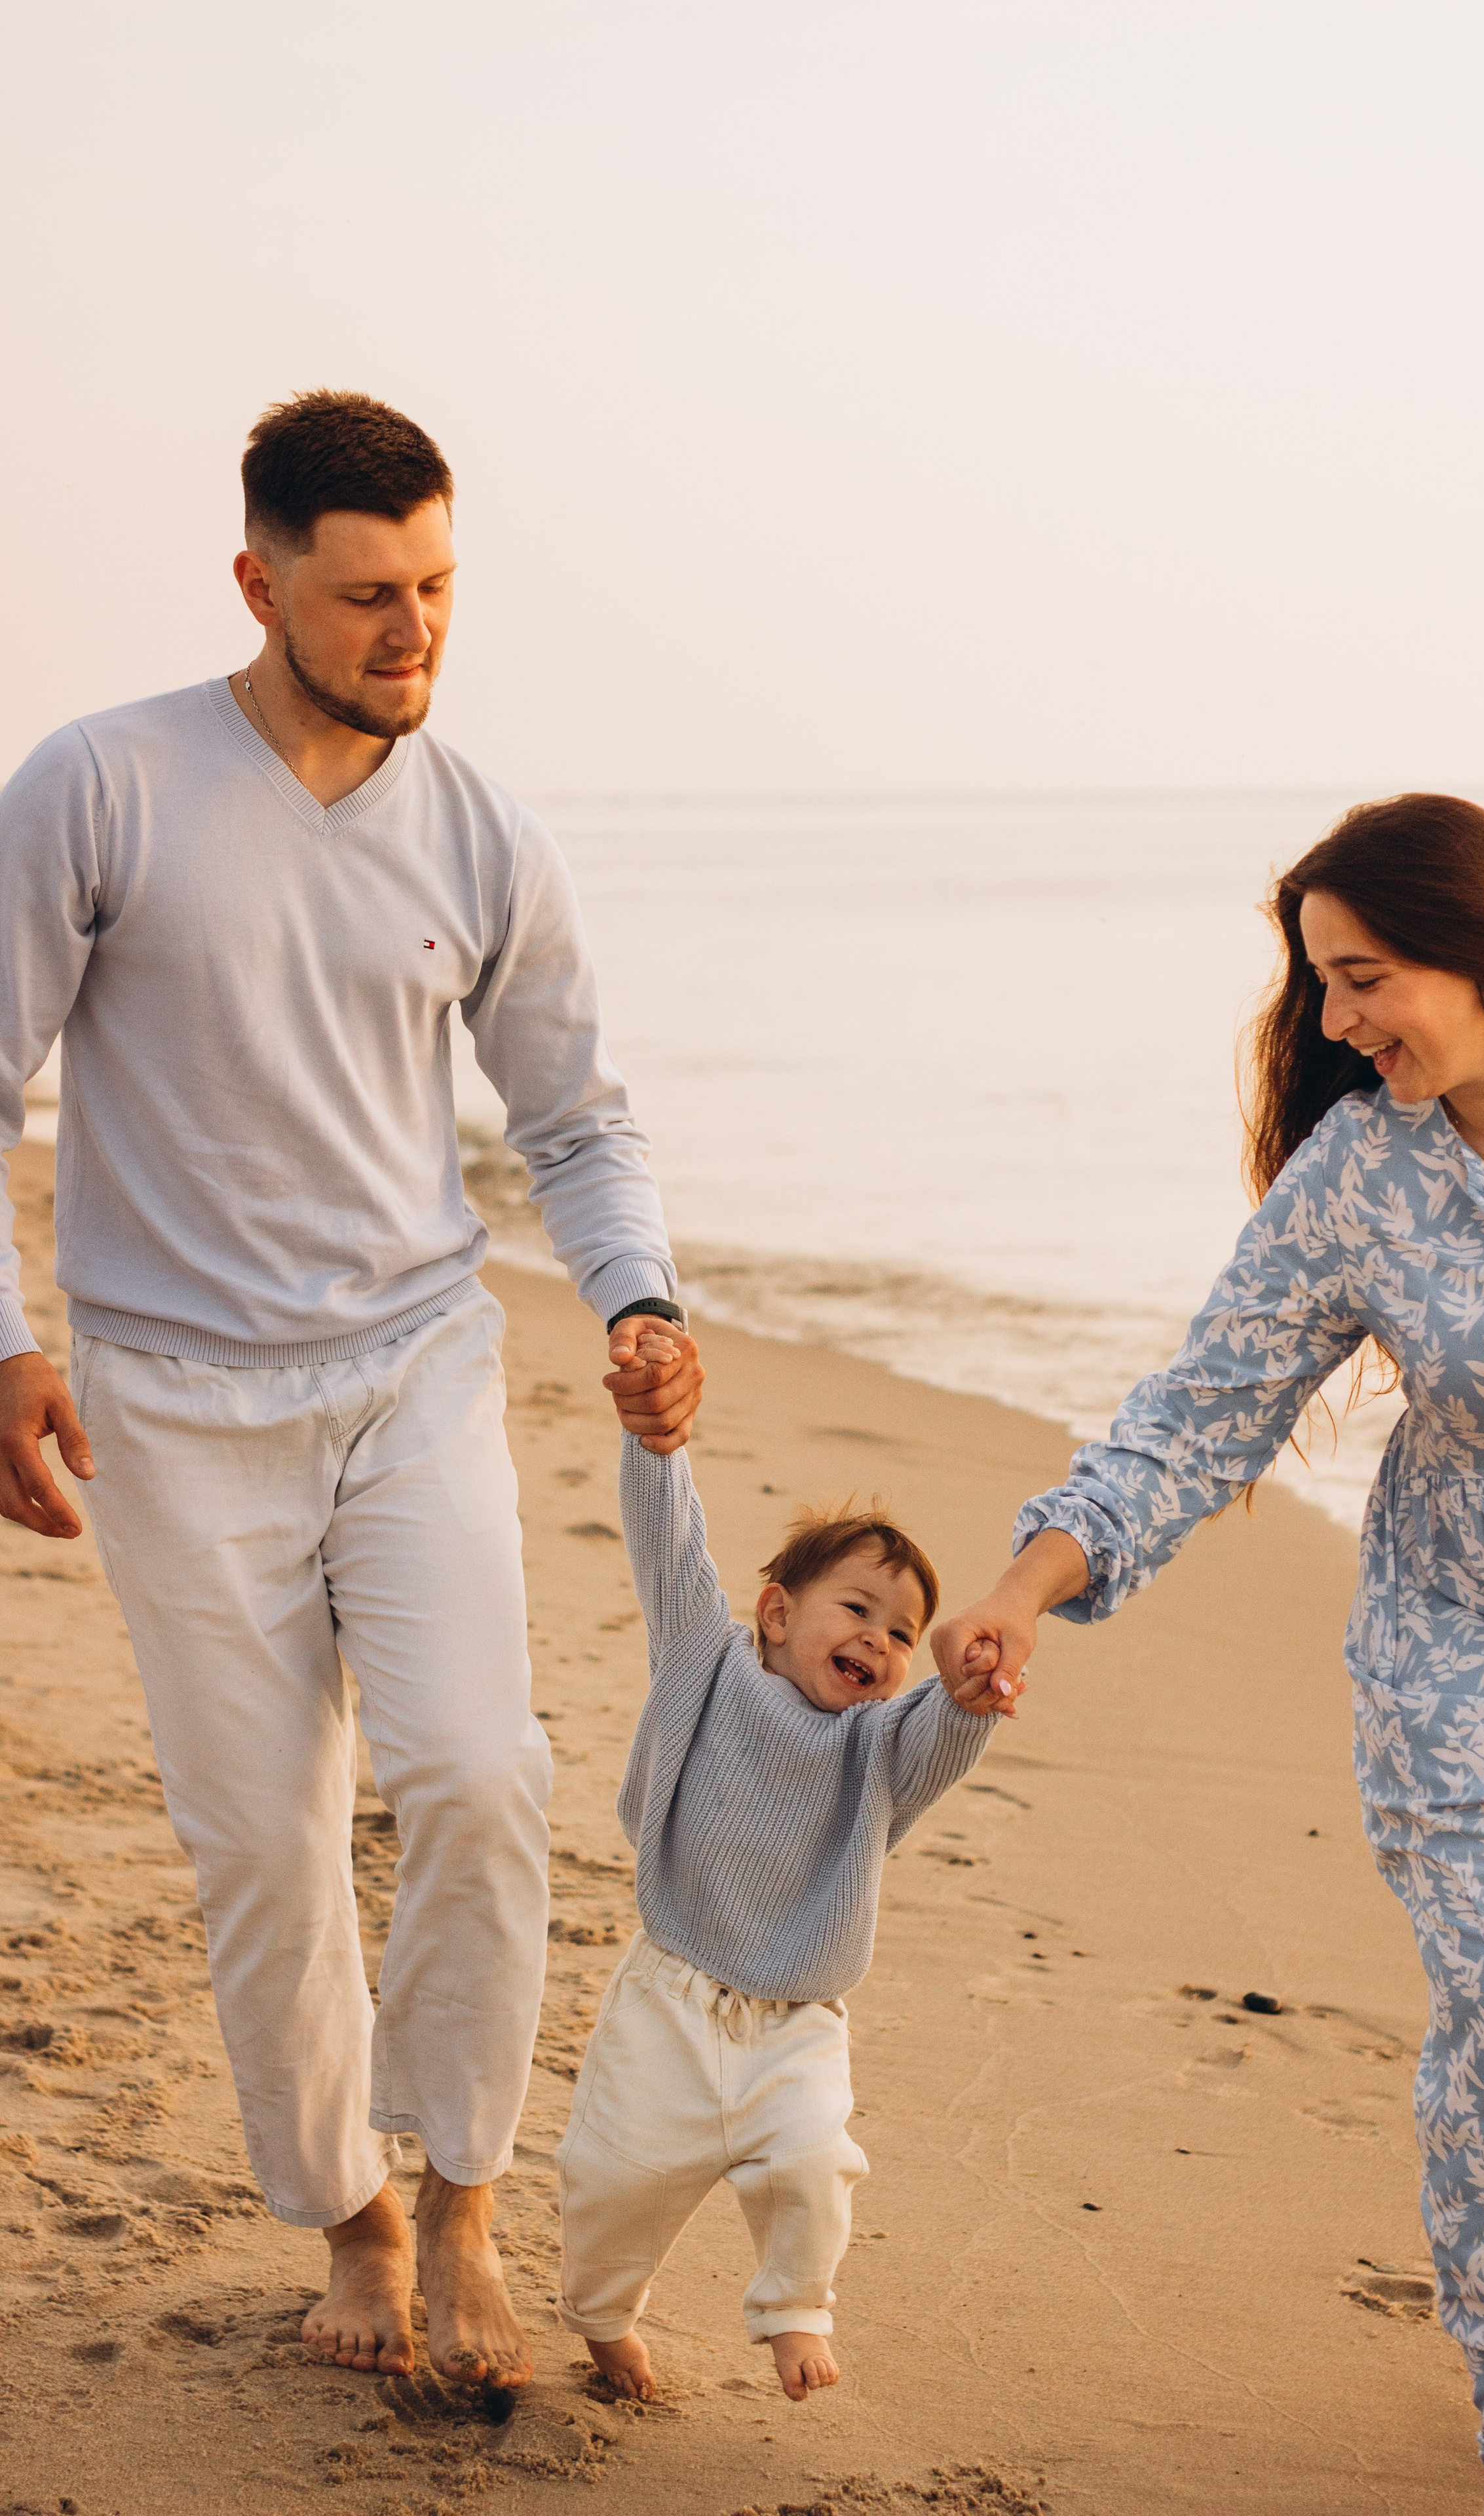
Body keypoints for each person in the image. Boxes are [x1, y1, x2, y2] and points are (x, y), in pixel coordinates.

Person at [0, 391, 701, 2397]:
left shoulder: (484, 828)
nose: (416, 633)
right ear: (261, 581)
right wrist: (7, 1342)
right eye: (371, 595)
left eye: (441, 588)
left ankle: (470, 2200)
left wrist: (639, 1295)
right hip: (168, 1395)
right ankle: (353, 2221)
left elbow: (577, 1116)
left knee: (483, 1775)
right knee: (265, 1843)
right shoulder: (99, 788)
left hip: (413, 1364)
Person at [932, 793, 1484, 2511]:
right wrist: (1025, 1587)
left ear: (1483, 951)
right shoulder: (1367, 1178)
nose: (1335, 1025)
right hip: (1474, 1671)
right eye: (1322, 987)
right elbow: (1206, 1404)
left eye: (1363, 979)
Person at [557, 1323, 1000, 2403]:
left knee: (814, 2165)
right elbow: (669, 1547)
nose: (880, 1642)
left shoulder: (878, 1749)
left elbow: (941, 1737)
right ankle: (603, 2318)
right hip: (667, 1996)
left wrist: (973, 1686)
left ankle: (796, 2307)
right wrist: (658, 1446)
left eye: (902, 1636)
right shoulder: (704, 1661)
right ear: (776, 1611)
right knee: (613, 2179)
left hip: (796, 2024)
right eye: (859, 1610)